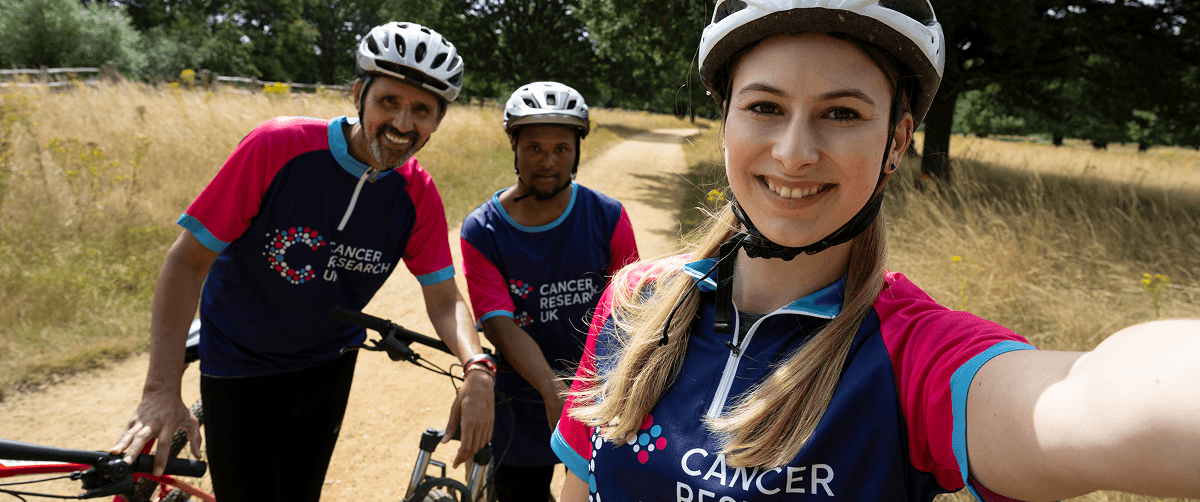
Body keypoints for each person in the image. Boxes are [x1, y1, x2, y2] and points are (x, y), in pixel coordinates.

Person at [553, 1, 1200, 501]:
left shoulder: (912, 358)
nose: (793, 153)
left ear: (897, 142)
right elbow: (578, 483)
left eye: (841, 114)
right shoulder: (636, 303)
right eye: (765, 107)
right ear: (726, 122)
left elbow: (1092, 400)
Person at [109, 22, 495, 502]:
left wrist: (477, 366)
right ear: (358, 94)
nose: (401, 123)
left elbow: (442, 296)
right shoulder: (279, 147)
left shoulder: (416, 193)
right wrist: (161, 389)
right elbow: (186, 263)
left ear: (437, 121)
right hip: (240, 363)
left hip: (329, 365)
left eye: (421, 110)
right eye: (388, 102)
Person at [460, 81, 640, 501]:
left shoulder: (607, 216)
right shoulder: (482, 230)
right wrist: (551, 388)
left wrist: (597, 389)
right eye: (534, 148)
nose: (548, 161)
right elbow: (499, 322)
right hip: (522, 400)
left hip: (600, 394)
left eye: (561, 148)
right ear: (513, 146)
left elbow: (630, 310)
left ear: (577, 151)